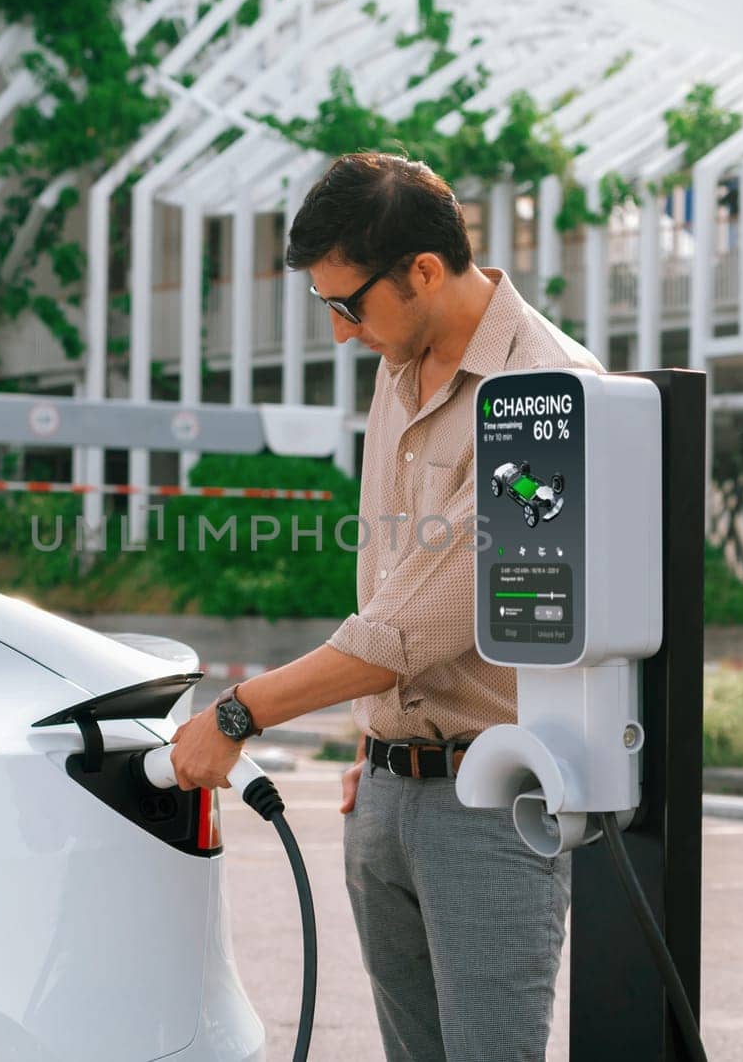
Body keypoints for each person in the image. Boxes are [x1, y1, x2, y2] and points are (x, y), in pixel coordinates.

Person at [167, 151, 602, 1061]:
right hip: (388, 792)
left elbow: (411, 627)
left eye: (349, 305)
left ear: (425, 271)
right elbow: (391, 575)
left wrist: (240, 714)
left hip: (490, 807)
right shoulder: (400, 367)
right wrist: (379, 738)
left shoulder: (549, 396)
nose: (339, 332)